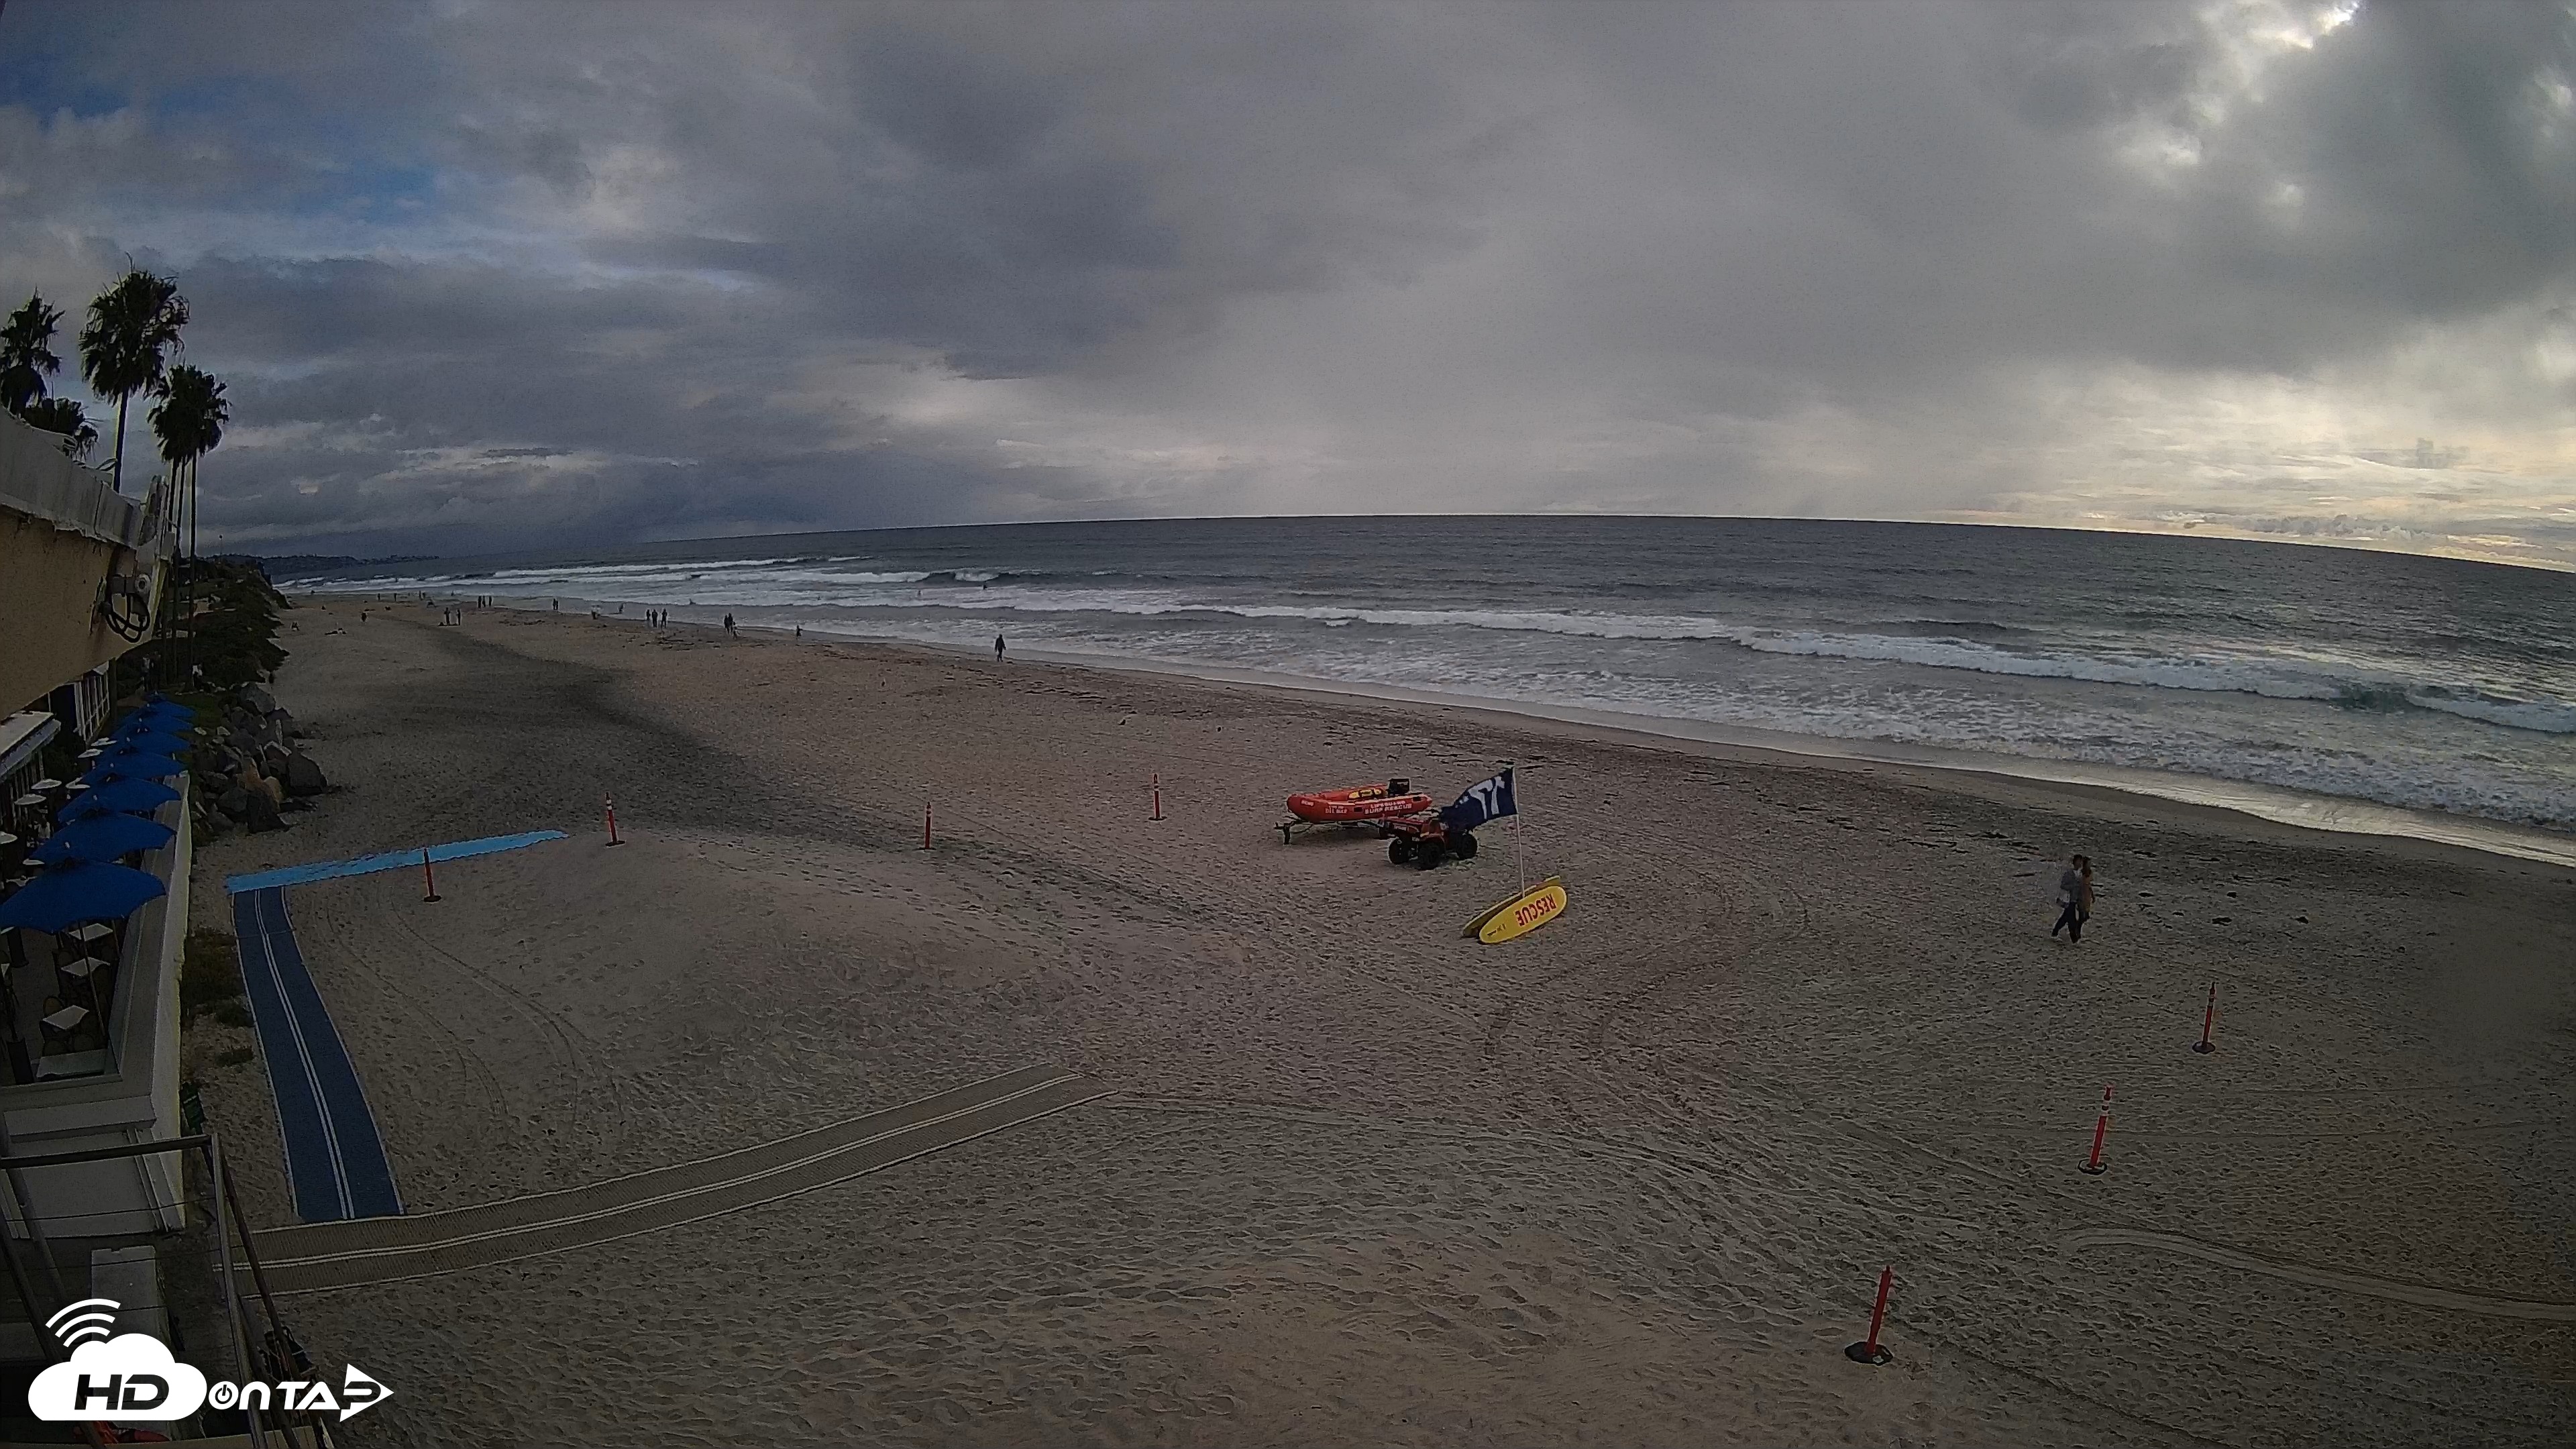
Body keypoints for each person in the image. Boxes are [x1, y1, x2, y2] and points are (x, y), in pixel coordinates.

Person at [2051, 854, 2094, 943]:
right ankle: (2074, 939)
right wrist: (2073, 886)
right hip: (2068, 900)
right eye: (2078, 861)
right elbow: (2063, 885)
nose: (2080, 863)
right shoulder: (2069, 874)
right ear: (2074, 862)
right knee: (2071, 920)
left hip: (2075, 900)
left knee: (2065, 918)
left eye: (2081, 862)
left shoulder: (2079, 874)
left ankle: (2056, 932)